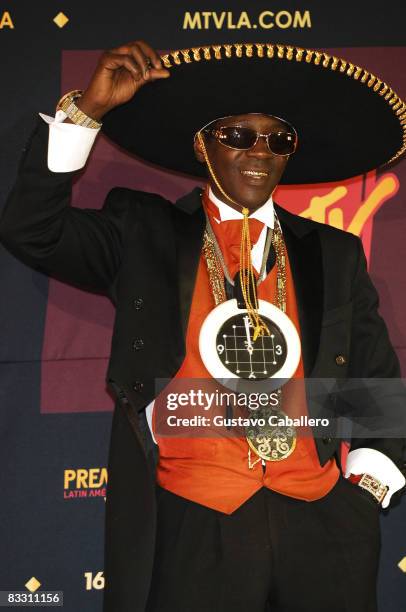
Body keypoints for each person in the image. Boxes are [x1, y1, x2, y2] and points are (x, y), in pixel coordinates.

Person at [1, 39, 406, 612]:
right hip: (192, 524)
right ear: (203, 144)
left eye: (277, 139)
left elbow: (375, 381)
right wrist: (85, 114)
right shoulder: (143, 230)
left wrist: (364, 494)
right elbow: (30, 230)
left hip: (323, 528)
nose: (259, 152)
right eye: (239, 135)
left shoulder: (335, 254)